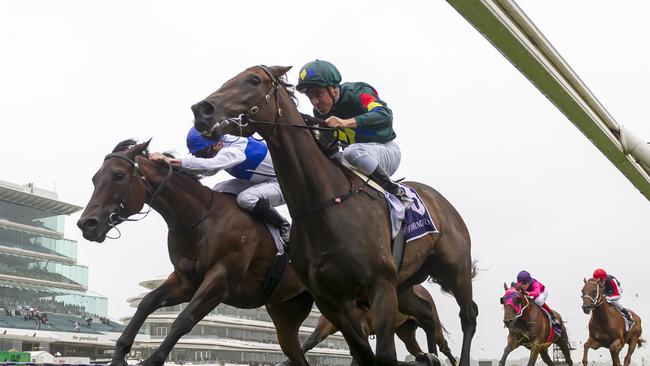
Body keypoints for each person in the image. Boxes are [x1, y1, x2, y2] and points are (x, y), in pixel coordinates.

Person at [296, 59, 412, 207]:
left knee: (352, 151)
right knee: (334, 159)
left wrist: (345, 122)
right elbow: (329, 150)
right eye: (310, 97)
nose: (315, 102)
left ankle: (397, 192)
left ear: (333, 89)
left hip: (386, 151)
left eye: (318, 94)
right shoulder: (319, 114)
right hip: (356, 160)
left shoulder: (357, 93)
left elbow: (384, 114)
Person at [150, 128, 290, 242]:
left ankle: (282, 225)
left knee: (246, 198)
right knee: (219, 189)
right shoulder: (222, 142)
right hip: (259, 182)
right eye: (198, 155)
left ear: (218, 144)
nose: (203, 157)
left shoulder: (234, 151)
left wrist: (171, 161)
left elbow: (211, 165)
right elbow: (208, 170)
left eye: (205, 153)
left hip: (283, 184)